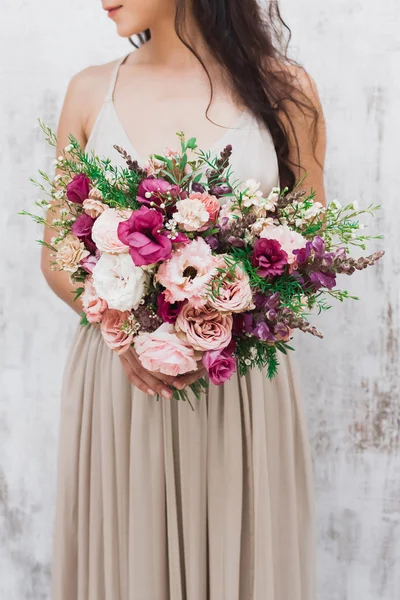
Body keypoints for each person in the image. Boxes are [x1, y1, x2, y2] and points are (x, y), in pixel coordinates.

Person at [42, 1, 326, 598]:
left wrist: (224, 315)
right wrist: (129, 336)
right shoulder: (91, 91)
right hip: (124, 382)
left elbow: (309, 251)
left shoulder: (285, 91)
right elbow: (56, 255)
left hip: (239, 382)